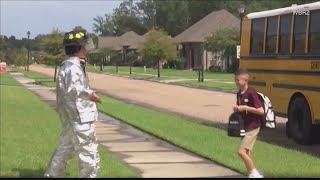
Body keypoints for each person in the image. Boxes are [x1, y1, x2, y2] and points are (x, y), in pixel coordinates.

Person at [44, 29, 101, 178]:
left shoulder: (69, 65)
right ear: (78, 48)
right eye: (84, 46)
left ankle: (53, 174)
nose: (86, 49)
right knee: (89, 154)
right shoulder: (72, 67)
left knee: (66, 148)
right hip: (79, 117)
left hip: (72, 116)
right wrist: (89, 94)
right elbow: (74, 88)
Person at [233, 69, 264, 178]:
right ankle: (252, 173)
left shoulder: (251, 92)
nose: (236, 82)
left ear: (245, 80)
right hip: (244, 126)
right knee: (247, 152)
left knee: (241, 152)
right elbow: (241, 109)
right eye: (235, 80)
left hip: (253, 126)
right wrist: (237, 109)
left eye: (238, 80)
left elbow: (261, 111)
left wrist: (246, 107)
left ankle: (255, 174)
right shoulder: (239, 94)